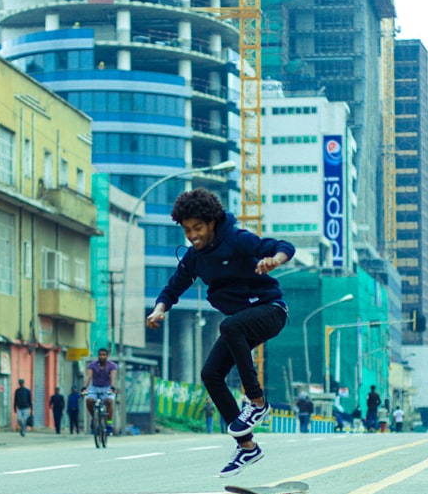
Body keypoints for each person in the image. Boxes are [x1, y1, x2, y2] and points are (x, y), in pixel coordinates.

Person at [145, 187, 294, 477]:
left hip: (271, 310)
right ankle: (247, 446)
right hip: (241, 322)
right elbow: (173, 287)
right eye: (187, 230)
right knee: (210, 374)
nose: (193, 236)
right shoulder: (194, 258)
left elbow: (283, 244)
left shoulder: (237, 239)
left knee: (229, 325)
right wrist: (160, 308)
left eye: (198, 228)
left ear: (212, 222)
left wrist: (275, 260)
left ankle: (257, 402)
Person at [84, 348, 118, 436]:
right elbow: (89, 377)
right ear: (98, 355)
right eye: (100, 355)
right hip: (94, 387)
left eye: (104, 355)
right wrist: (84, 387)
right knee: (89, 400)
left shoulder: (112, 365)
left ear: (107, 356)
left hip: (107, 387)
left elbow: (112, 377)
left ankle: (109, 423)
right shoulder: (92, 365)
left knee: (109, 401)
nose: (102, 356)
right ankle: (94, 418)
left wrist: (112, 387)